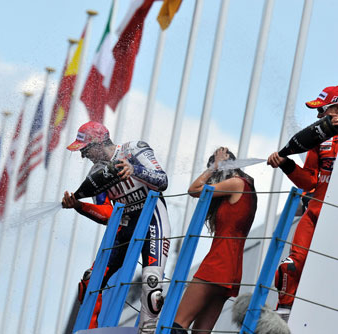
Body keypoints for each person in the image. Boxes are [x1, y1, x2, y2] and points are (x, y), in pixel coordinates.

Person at [61, 121, 171, 333]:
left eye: (85, 150)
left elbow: (162, 180)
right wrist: (78, 205)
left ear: (99, 143)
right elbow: (107, 215)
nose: (84, 155)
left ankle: (148, 330)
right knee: (89, 281)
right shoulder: (96, 174)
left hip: (153, 222)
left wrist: (134, 169)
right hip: (126, 228)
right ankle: (90, 330)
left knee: (152, 282)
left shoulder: (134, 149)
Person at [267, 85, 338, 321]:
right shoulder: (320, 138)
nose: (318, 117)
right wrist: (286, 164)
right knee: (290, 267)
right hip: (315, 214)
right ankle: (284, 317)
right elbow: (308, 181)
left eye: (323, 111)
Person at [172, 147, 257, 334]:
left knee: (177, 324)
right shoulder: (247, 187)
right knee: (201, 332)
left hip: (217, 264)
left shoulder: (236, 183)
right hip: (232, 270)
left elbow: (194, 189)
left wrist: (213, 167)